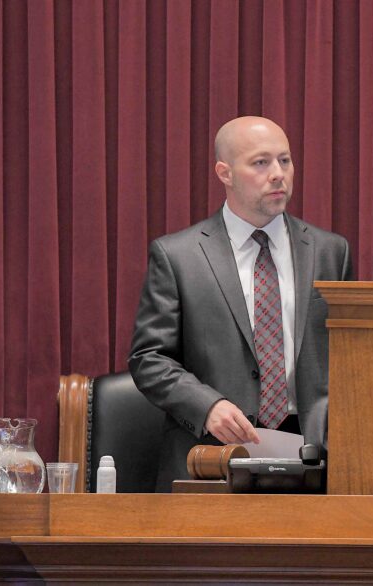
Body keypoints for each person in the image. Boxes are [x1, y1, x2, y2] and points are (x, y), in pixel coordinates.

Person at [128, 116, 352, 492]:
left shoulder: (331, 251)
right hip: (213, 458)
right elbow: (149, 358)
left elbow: (348, 358)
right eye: (261, 163)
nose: (278, 174)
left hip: (314, 461)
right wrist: (207, 406)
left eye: (285, 160)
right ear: (225, 173)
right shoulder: (178, 255)